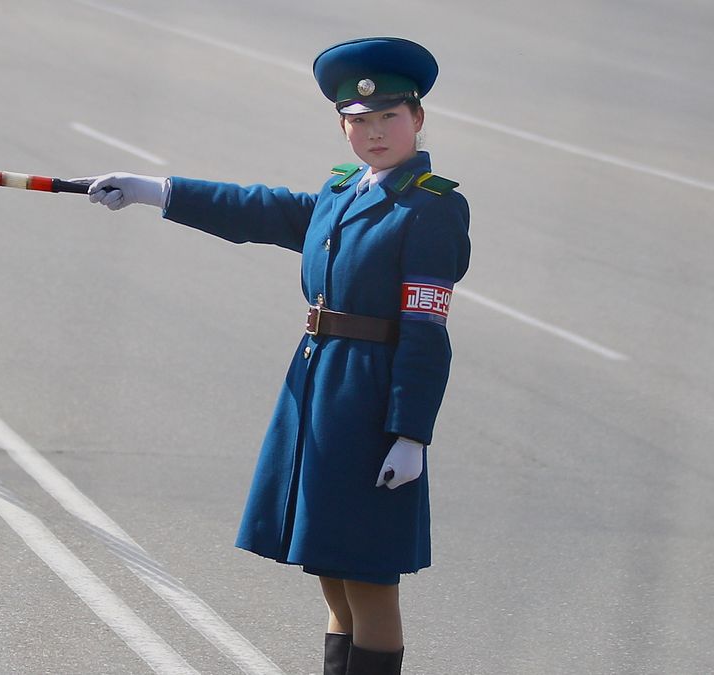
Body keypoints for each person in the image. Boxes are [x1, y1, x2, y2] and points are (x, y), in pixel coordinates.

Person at [80, 37, 470, 674]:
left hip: (371, 399)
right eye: (359, 121)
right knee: (328, 565)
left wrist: (411, 433)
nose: (374, 133)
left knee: (368, 573)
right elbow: (254, 209)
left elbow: (427, 331)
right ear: (342, 126)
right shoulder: (343, 193)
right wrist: (154, 190)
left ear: (418, 119)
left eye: (389, 118)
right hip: (317, 388)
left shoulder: (431, 208)